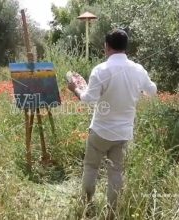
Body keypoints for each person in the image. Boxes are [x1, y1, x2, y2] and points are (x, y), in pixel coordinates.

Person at [67, 29, 157, 217]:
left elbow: (88, 100)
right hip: (123, 133)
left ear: (106, 47)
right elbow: (152, 91)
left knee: (91, 167)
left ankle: (87, 204)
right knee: (116, 173)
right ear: (126, 47)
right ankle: (111, 213)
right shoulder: (138, 70)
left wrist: (76, 88)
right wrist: (136, 88)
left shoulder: (101, 70)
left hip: (100, 131)